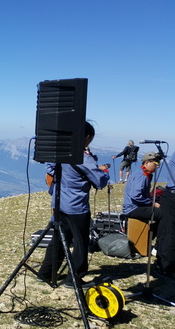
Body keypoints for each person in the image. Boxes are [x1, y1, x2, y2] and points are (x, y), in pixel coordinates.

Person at [37, 122, 110, 289]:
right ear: (87, 137)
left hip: (59, 201)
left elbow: (50, 169)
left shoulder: (61, 150)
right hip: (76, 206)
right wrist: (103, 171)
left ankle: (46, 272)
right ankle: (74, 279)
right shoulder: (82, 156)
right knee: (80, 242)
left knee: (58, 238)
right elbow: (99, 181)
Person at [155, 146, 175, 278]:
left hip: (173, 196)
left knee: (171, 232)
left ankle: (166, 264)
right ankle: (167, 267)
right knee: (171, 233)